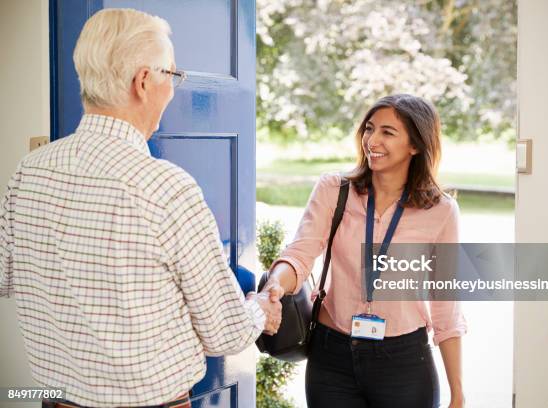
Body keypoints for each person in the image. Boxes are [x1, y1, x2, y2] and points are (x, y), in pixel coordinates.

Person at [0, 8, 281, 408]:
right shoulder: (165, 188)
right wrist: (259, 311)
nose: (174, 88)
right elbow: (226, 334)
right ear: (144, 81)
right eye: (173, 75)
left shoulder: (30, 170)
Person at [261, 94, 467, 407]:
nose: (372, 139)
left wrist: (458, 392)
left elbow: (445, 305)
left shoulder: (440, 210)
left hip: (404, 362)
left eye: (388, 132)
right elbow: (300, 254)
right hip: (331, 357)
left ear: (416, 145)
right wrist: (275, 284)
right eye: (369, 129)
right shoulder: (334, 189)